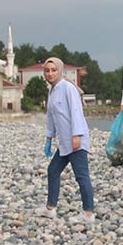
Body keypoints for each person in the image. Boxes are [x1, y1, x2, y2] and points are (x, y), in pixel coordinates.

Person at [36, 57, 95, 224]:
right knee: (53, 170)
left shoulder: (68, 88)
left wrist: (76, 135)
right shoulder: (52, 90)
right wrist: (49, 137)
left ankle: (88, 214)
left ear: (60, 70)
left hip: (76, 141)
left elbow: (76, 112)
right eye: (47, 71)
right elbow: (52, 116)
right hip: (64, 143)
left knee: (82, 176)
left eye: (54, 70)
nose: (50, 73)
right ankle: (50, 209)